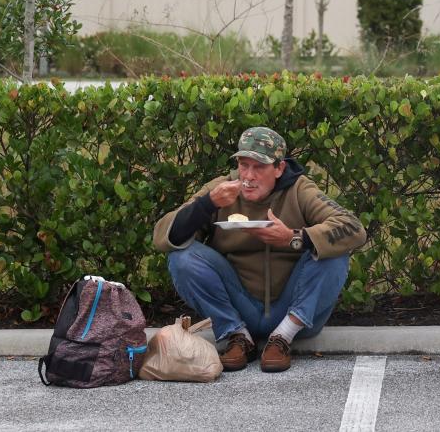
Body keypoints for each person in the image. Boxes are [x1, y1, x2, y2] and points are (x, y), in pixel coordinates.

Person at [153, 126, 366, 373]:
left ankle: (283, 338)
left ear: (279, 168)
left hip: (294, 309)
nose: (249, 176)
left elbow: (353, 228)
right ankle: (237, 336)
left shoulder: (299, 189)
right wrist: (206, 204)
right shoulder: (222, 189)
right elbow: (162, 236)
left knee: (334, 251)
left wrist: (293, 238)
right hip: (240, 307)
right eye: (244, 165)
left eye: (259, 167)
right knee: (182, 258)